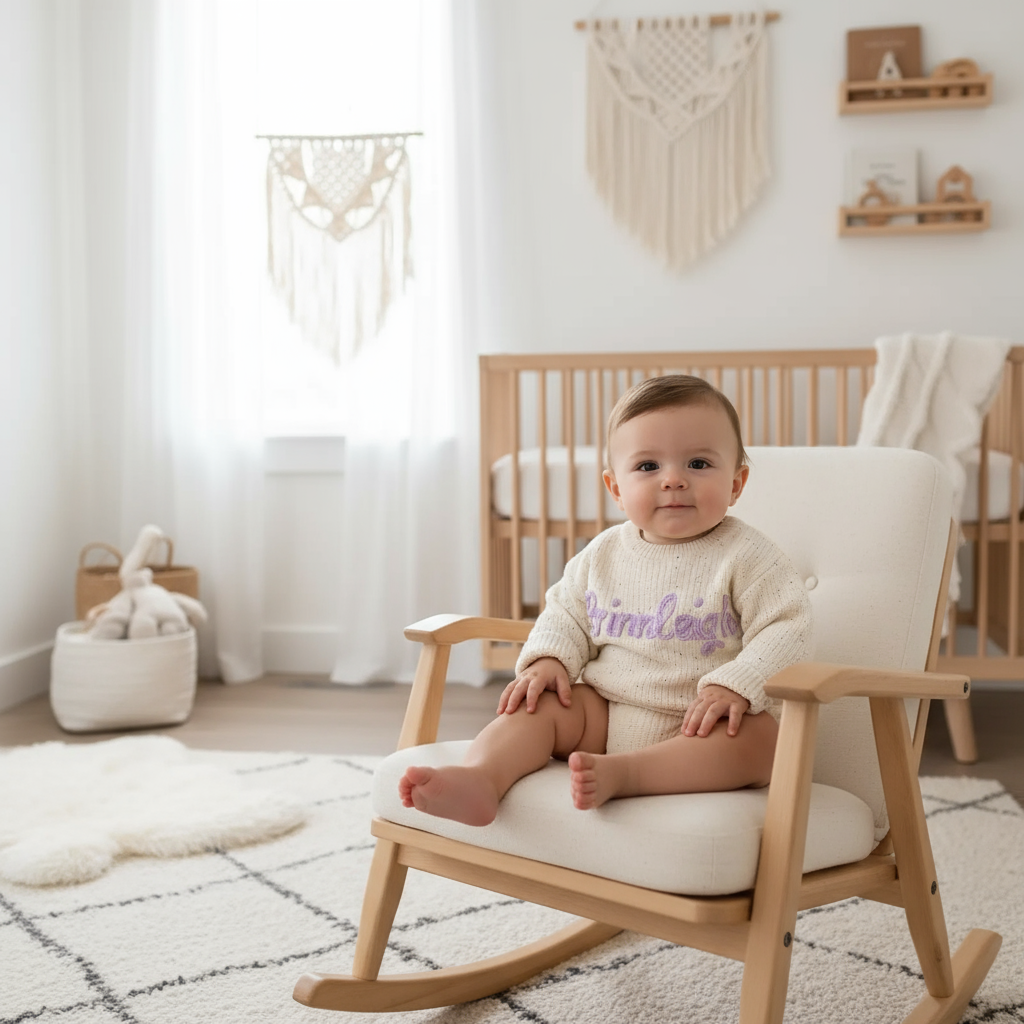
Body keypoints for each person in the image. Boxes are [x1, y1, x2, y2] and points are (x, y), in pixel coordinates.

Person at [399, 374, 812, 826]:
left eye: (697, 464)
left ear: (736, 483)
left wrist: (738, 681)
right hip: (607, 715)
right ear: (616, 489)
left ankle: (627, 774)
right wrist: (549, 660)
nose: (673, 480)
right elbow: (565, 614)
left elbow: (787, 626)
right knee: (542, 705)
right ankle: (481, 777)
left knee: (762, 740)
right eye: (648, 467)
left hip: (705, 724)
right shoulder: (603, 554)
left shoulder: (749, 556)